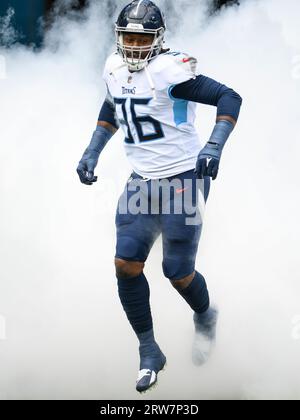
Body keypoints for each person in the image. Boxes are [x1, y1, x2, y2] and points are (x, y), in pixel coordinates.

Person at [77, 0, 242, 394]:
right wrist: (92, 149)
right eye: (128, 37)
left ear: (157, 39)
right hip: (142, 181)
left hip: (184, 178)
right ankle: (149, 350)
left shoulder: (172, 70)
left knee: (177, 272)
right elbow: (113, 106)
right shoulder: (114, 68)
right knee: (125, 263)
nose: (133, 45)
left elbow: (229, 97)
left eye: (141, 38)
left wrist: (214, 145)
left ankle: (205, 315)